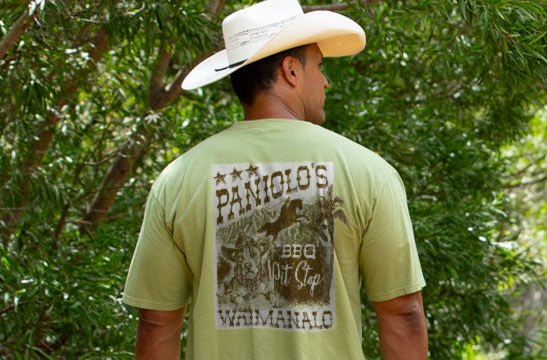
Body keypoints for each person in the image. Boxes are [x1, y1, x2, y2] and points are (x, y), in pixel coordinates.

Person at [122, 1, 426, 358]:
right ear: (291, 70)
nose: (325, 81)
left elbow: (156, 321)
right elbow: (402, 312)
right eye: (319, 66)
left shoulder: (178, 180)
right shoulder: (369, 172)